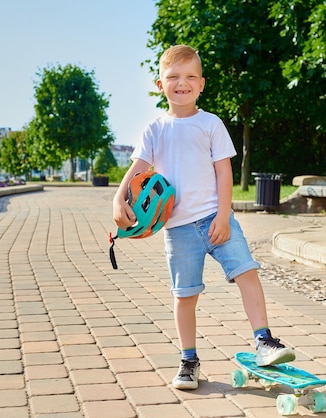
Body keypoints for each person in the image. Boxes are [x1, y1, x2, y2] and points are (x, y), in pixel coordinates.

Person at [113, 44, 295, 390]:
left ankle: (264, 341)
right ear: (159, 84)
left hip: (215, 219)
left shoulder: (211, 124)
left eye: (190, 77)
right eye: (174, 77)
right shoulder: (155, 129)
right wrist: (116, 199)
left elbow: (223, 173)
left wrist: (224, 216)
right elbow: (137, 167)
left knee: (246, 272)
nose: (182, 83)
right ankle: (189, 360)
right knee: (185, 296)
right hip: (178, 228)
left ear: (202, 84)